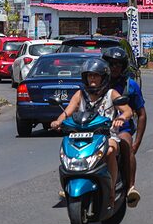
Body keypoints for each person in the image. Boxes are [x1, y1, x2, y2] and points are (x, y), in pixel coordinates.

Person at [51, 58, 132, 206]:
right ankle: (69, 183)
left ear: (103, 77)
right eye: (89, 76)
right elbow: (67, 112)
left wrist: (121, 118)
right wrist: (58, 121)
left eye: (95, 75)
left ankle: (112, 189)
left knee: (110, 151)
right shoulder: (80, 95)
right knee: (66, 152)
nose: (92, 79)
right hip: (81, 136)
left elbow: (127, 111)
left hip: (107, 136)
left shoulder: (111, 94)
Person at [102, 47, 147, 208]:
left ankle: (130, 188)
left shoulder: (131, 85)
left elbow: (142, 114)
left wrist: (137, 143)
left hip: (122, 130)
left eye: (118, 64)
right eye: (111, 63)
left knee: (125, 145)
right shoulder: (96, 82)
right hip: (97, 129)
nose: (114, 67)